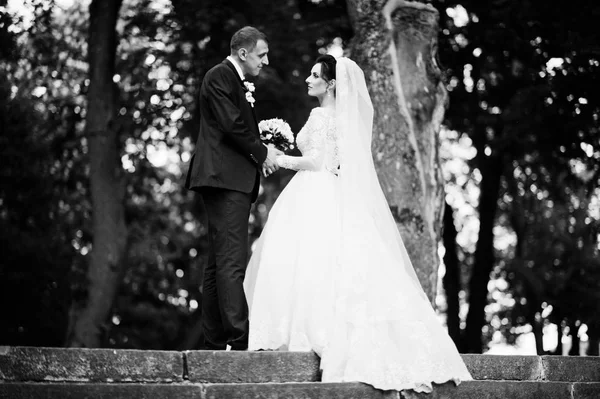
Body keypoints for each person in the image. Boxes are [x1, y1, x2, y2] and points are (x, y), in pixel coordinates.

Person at [244, 55, 473, 392]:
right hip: (330, 189)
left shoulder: (321, 115)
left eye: (314, 75)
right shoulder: (341, 119)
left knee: (306, 260)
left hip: (315, 189)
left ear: (331, 84)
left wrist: (279, 158)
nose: (308, 79)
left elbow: (317, 161)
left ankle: (306, 330)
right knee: (328, 261)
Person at [185, 26, 281, 351]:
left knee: (217, 261)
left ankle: (214, 341)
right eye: (261, 54)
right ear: (243, 52)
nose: (266, 61)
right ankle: (239, 339)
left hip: (227, 178)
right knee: (231, 260)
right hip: (224, 179)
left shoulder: (234, 80)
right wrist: (262, 153)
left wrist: (259, 149)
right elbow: (231, 124)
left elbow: (237, 127)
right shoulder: (220, 76)